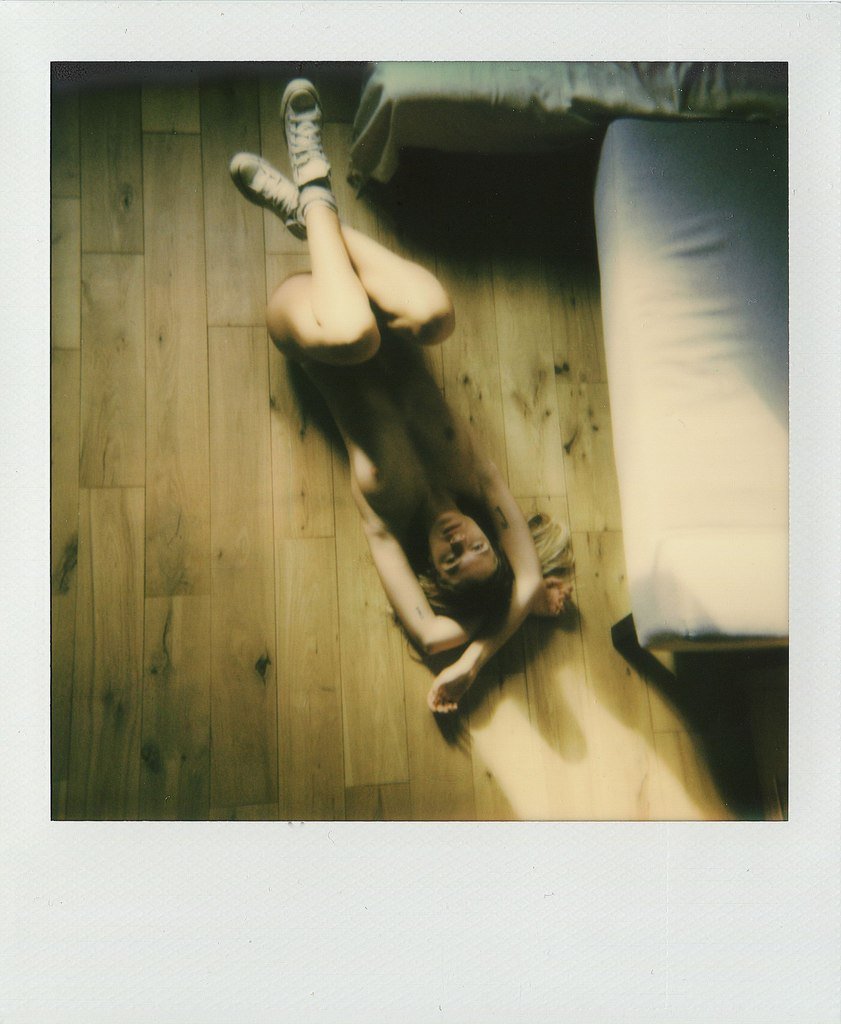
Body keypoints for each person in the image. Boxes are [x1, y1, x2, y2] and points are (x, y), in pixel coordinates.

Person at [230, 79, 573, 713]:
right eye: (477, 547)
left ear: (431, 570)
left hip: (311, 323)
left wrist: (468, 663)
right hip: (371, 296)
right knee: (436, 317)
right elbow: (526, 585)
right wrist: (515, 619)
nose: (458, 543)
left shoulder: (387, 524)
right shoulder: (478, 475)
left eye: (450, 562)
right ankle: (309, 211)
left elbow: (434, 634)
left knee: (356, 337)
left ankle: (310, 177)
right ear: (491, 535)